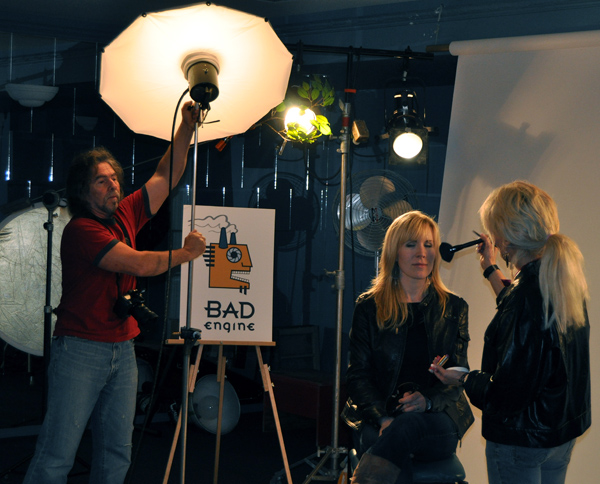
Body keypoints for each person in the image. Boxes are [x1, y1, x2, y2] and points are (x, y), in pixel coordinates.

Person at [23, 101, 207, 484]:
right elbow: (139, 264)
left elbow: (164, 176)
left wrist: (187, 128)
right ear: (82, 190)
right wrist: (187, 253)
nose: (113, 185)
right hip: (80, 350)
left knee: (116, 453)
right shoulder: (82, 230)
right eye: (101, 181)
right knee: (58, 455)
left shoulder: (123, 213)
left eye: (114, 178)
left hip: (122, 350)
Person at [432, 181, 591, 484]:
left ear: (505, 238)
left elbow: (506, 394)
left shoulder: (527, 299)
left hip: (522, 440)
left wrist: (463, 377)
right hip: (558, 435)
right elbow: (526, 317)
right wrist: (490, 269)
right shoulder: (561, 281)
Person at [342, 210, 474, 484]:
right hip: (379, 417)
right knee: (399, 438)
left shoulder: (454, 307)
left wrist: (427, 401)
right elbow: (358, 376)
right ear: (394, 251)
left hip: (436, 419)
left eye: (428, 245)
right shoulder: (369, 307)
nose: (421, 253)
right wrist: (383, 419)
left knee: (406, 429)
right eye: (411, 244)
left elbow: (458, 376)